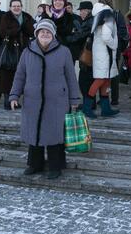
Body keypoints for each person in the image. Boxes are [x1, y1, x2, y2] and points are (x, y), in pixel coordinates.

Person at [9, 19, 80, 179]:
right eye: (42, 32)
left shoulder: (64, 52)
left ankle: (56, 166)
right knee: (34, 133)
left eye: (48, 32)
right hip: (32, 100)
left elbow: (71, 77)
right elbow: (20, 75)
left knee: (55, 135)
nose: (45, 34)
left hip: (57, 101)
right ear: (37, 34)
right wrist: (14, 95)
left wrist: (74, 99)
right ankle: (35, 164)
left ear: (53, 35)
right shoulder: (28, 51)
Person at [82, 0, 120, 118]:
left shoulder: (97, 12)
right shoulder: (108, 13)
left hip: (99, 50)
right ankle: (87, 108)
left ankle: (106, 108)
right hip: (105, 52)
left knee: (106, 80)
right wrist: (114, 44)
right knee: (100, 80)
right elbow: (106, 36)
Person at [0, 0, 35, 109]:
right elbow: (3, 32)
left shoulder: (27, 16)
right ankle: (7, 101)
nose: (16, 8)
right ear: (10, 7)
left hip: (24, 50)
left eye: (18, 6)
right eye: (14, 6)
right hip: (9, 50)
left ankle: (16, 100)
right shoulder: (5, 17)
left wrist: (23, 27)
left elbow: (33, 31)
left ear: (21, 6)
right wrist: (18, 28)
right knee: (7, 76)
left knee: (21, 76)